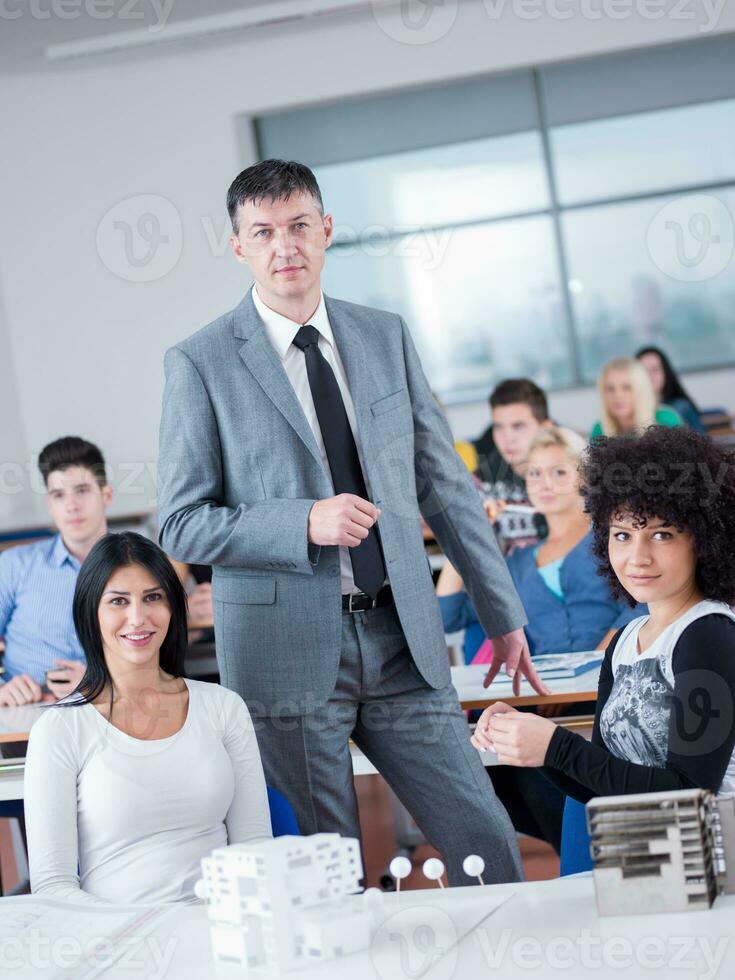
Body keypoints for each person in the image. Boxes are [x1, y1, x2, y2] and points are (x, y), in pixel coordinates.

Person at [157, 159, 548, 887]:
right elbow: (180, 524)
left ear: (326, 230)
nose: (286, 246)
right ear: (237, 245)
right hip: (286, 654)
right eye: (264, 232)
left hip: (402, 639)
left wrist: (502, 612)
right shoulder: (200, 363)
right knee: (325, 868)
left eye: (300, 226)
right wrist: (303, 521)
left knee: (486, 843)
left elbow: (444, 486)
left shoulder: (383, 336)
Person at [472, 427, 735, 807]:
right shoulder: (626, 641)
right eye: (623, 535)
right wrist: (533, 740)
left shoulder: (708, 634)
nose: (637, 557)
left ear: (704, 539)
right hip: (640, 852)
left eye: (661, 535)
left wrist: (556, 746)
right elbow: (601, 785)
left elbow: (690, 792)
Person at [24, 532, 271, 905]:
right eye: (118, 601)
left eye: (152, 597)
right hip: (119, 943)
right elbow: (53, 885)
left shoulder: (224, 707)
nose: (137, 618)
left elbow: (255, 849)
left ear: (173, 606)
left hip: (223, 934)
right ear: (91, 612)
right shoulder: (60, 729)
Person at [438, 427, 643, 662]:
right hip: (548, 692)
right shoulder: (518, 564)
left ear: (584, 478)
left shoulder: (614, 539)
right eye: (534, 473)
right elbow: (448, 617)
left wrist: (592, 670)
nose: (544, 483)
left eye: (558, 472)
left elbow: (641, 608)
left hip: (615, 675)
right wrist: (466, 533)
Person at [0, 437, 112, 706]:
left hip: (111, 707)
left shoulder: (137, 566)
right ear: (50, 505)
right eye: (59, 495)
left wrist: (101, 683)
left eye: (82, 490)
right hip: (27, 711)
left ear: (106, 495)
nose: (71, 505)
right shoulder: (15, 564)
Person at [471, 378, 552, 504]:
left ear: (546, 429)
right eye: (498, 427)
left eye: (518, 426)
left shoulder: (571, 479)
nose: (507, 438)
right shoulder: (480, 481)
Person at [590, 357, 683, 439]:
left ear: (641, 390)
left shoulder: (666, 420)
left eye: (627, 387)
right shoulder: (599, 430)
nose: (618, 395)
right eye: (610, 389)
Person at [636, 346, 706, 432]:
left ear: (666, 372)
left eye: (655, 370)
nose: (649, 375)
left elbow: (701, 441)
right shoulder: (628, 409)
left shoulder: (680, 408)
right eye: (643, 370)